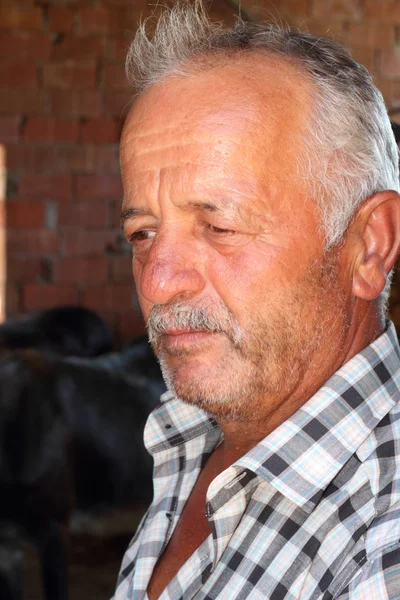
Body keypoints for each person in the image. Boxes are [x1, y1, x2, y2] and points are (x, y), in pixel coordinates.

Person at [114, 2, 400, 598]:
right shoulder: (191, 431)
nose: (157, 282)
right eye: (143, 233)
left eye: (219, 227)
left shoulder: (381, 540)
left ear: (368, 247)